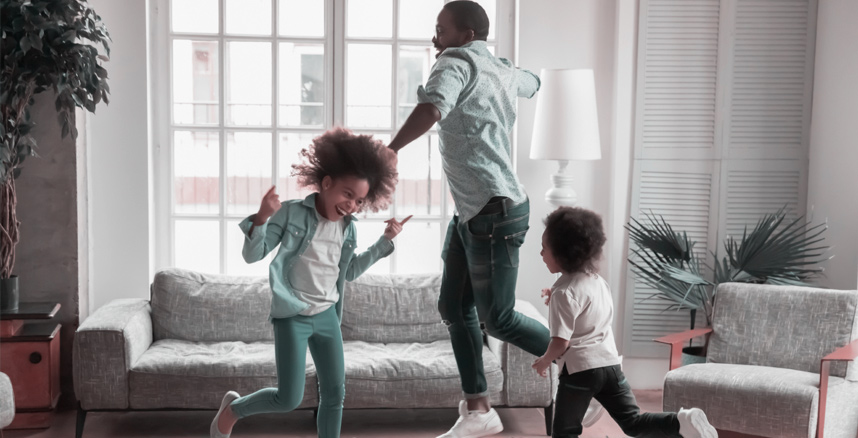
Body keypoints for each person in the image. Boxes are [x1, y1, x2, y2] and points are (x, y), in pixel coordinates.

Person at [387, 1, 547, 437]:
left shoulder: (454, 62)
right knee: (454, 308)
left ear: (466, 35)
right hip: (478, 211)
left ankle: (585, 361)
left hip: (493, 211)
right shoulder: (497, 67)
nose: (434, 38)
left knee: (498, 319)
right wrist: (521, 75)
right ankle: (479, 409)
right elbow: (533, 83)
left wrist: (392, 148)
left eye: (441, 29)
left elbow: (433, 106)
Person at [210, 127, 409, 438]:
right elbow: (253, 255)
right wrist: (261, 218)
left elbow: (350, 272)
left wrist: (384, 242)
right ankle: (233, 410)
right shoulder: (290, 213)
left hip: (328, 317)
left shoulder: (348, 229)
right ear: (327, 183)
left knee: (335, 395)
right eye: (347, 194)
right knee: (288, 399)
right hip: (293, 317)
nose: (351, 205)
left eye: (358, 201)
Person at [532, 206, 717, 438]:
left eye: (544, 248)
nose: (540, 254)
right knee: (633, 421)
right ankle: (682, 420)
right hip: (609, 365)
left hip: (580, 371)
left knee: (565, 431)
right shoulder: (596, 281)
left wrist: (544, 361)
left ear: (562, 253)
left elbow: (561, 343)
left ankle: (588, 406)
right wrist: (555, 294)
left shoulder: (564, 293)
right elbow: (585, 309)